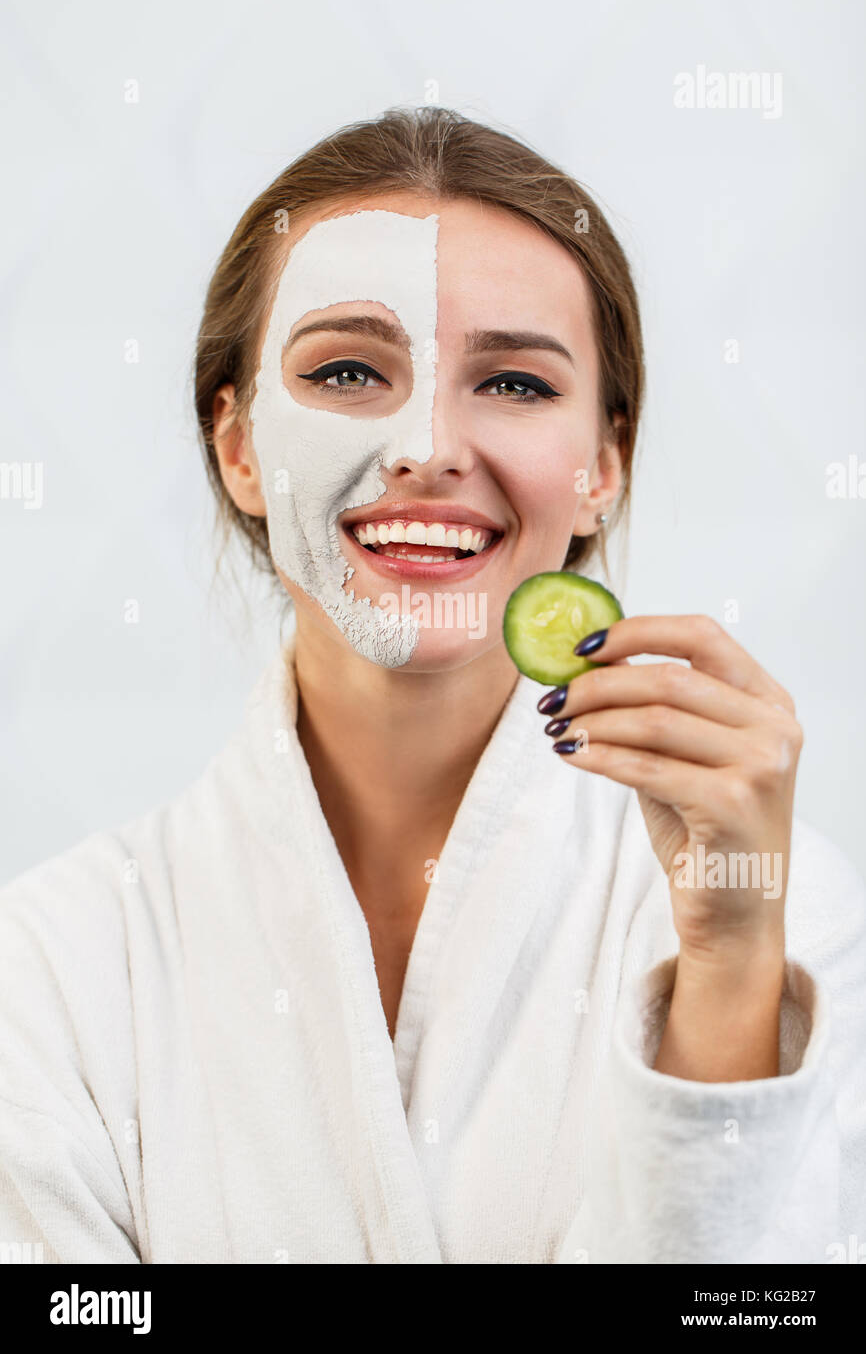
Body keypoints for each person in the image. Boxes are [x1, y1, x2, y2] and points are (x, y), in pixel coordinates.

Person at [1, 107, 863, 1265]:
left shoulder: (786, 918)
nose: (427, 445)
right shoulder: (47, 970)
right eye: (348, 370)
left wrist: (729, 970)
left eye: (511, 382)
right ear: (239, 446)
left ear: (601, 465)